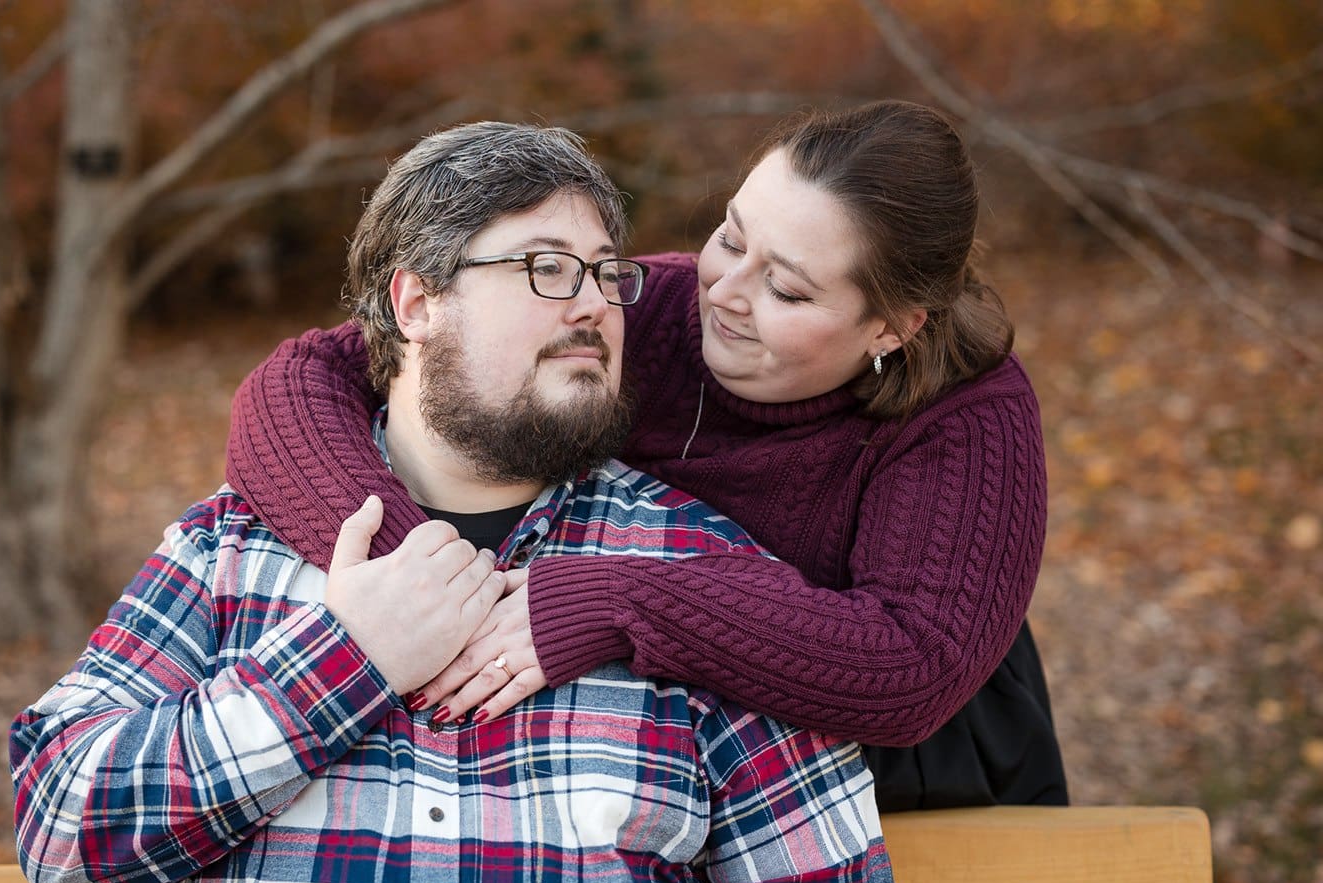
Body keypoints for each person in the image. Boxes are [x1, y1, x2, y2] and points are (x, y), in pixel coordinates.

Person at [11, 121, 895, 883]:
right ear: (417, 301)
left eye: (607, 273)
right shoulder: (233, 551)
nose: (594, 304)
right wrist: (338, 661)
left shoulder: (699, 572)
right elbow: (61, 824)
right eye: (548, 267)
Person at [224, 100, 1066, 812]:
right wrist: (429, 576)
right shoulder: (639, 311)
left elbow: (911, 670)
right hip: (678, 747)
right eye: (733, 238)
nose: (726, 295)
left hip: (917, 775)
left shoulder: (966, 412)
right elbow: (298, 381)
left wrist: (614, 599)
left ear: (893, 325)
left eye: (787, 289)